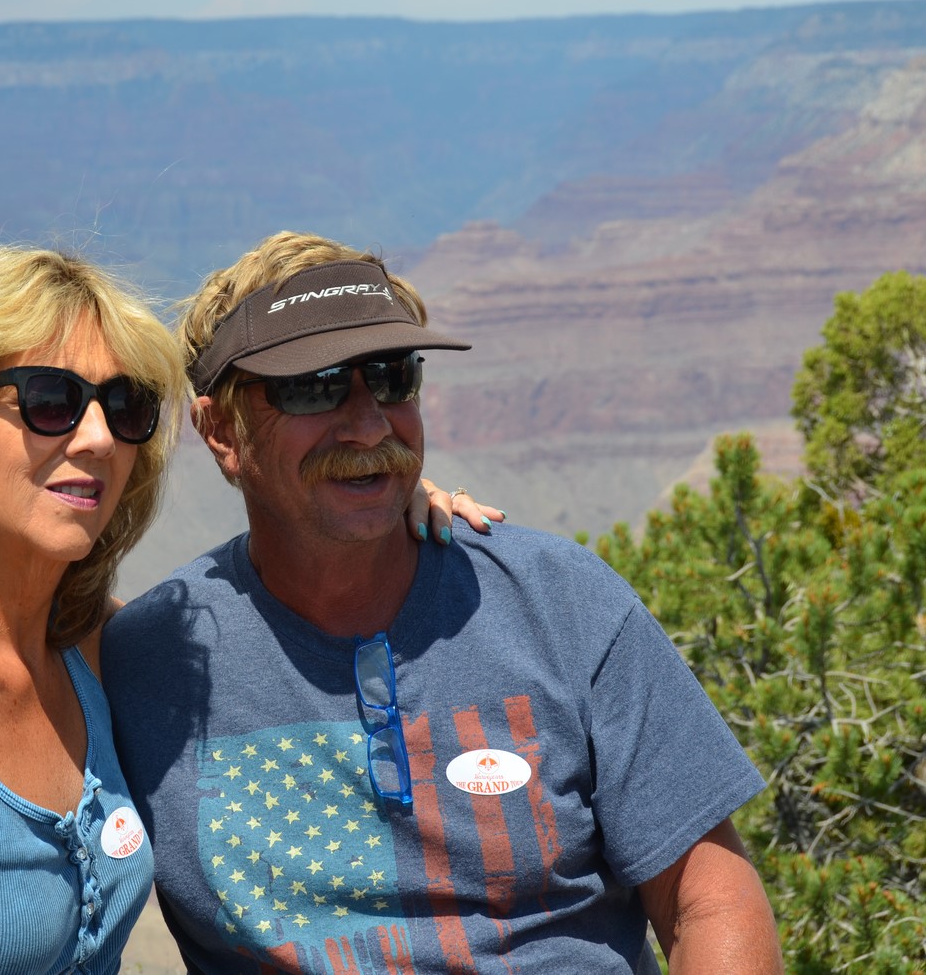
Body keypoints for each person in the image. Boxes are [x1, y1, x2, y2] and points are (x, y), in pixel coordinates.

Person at [0, 243, 492, 974]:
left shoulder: (80, 646)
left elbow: (268, 619)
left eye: (124, 406)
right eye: (49, 402)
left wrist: (380, 501)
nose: (97, 439)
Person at [102, 231, 783, 974]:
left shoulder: (560, 604)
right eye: (314, 386)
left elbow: (708, 901)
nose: (368, 424)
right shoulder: (148, 661)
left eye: (392, 378)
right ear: (222, 431)